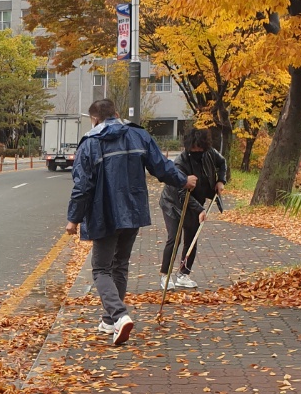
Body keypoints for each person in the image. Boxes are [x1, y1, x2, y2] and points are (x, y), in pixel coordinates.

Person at [65, 98, 196, 345]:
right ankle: (108, 320)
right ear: (117, 113)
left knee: (101, 268)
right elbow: (161, 166)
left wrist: (73, 219)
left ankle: (119, 315)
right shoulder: (138, 135)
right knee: (120, 264)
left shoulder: (90, 143)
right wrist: (183, 180)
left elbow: (82, 186)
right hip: (133, 211)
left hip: (104, 213)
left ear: (94, 119)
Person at [159, 126, 227, 290]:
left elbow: (222, 163)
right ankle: (165, 276)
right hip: (173, 203)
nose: (197, 152)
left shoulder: (210, 153)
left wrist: (220, 180)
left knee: (192, 238)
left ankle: (183, 274)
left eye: (200, 149)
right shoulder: (180, 163)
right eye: (193, 150)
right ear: (188, 147)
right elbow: (182, 195)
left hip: (196, 200)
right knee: (174, 238)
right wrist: (200, 210)